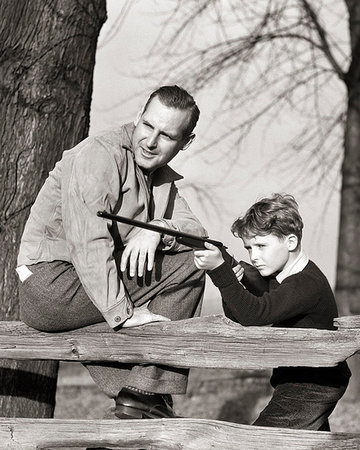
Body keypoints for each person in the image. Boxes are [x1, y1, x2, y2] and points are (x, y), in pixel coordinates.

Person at [17, 85, 207, 419]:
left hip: (81, 290)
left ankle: (137, 398)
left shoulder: (160, 180)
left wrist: (156, 229)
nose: (150, 141)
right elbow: (88, 242)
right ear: (137, 117)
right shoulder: (99, 155)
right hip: (51, 284)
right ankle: (147, 391)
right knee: (189, 265)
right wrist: (123, 313)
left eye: (166, 135)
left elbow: (196, 234)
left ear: (185, 143)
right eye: (147, 126)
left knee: (193, 253)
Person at [193, 193, 351, 430]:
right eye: (248, 248)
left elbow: (254, 314)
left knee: (259, 441)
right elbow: (239, 317)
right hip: (298, 381)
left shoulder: (306, 283)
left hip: (314, 384)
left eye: (261, 246)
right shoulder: (282, 278)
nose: (254, 257)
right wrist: (235, 281)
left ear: (291, 242)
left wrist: (220, 272)